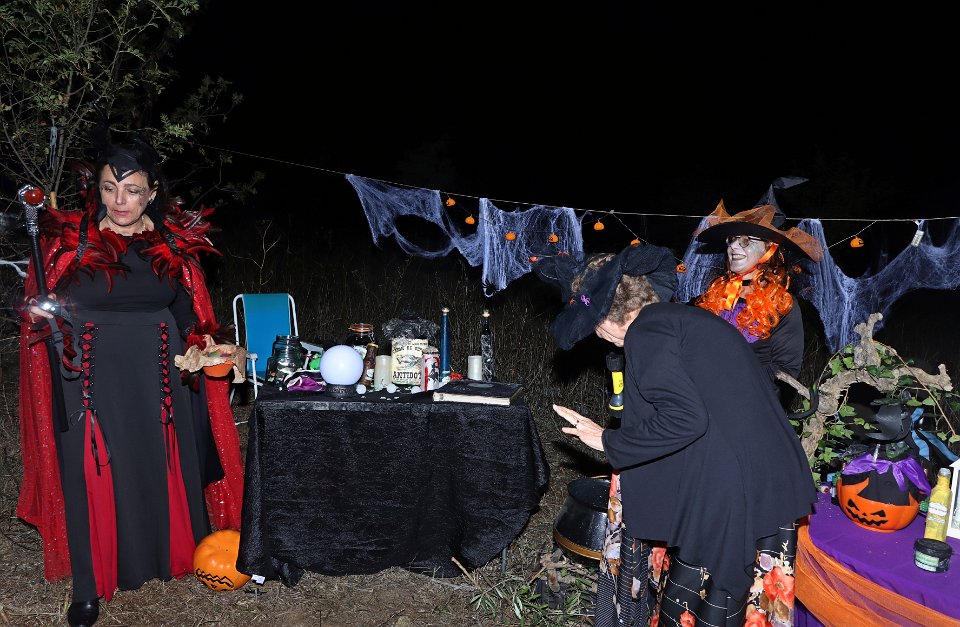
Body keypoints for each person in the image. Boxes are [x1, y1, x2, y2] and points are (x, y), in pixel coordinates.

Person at [17, 125, 244, 626]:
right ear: (95, 189)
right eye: (109, 188)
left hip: (160, 372)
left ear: (152, 192)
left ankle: (171, 556)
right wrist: (42, 313)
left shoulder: (172, 244)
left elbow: (186, 310)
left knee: (158, 459)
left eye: (133, 189)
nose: (119, 201)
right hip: (85, 371)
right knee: (89, 468)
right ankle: (88, 584)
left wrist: (204, 342)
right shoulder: (69, 242)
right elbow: (42, 307)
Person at [535, 242, 816, 626]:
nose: (596, 336)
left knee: (696, 613)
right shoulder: (677, 319)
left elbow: (686, 418)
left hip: (733, 497)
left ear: (611, 317)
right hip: (763, 487)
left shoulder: (647, 333)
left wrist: (607, 440)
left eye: (593, 326)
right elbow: (709, 412)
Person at [691, 201, 824, 402]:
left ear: (769, 249)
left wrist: (729, 381)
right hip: (700, 399)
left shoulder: (782, 305)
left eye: (745, 241)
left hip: (749, 404)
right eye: (732, 240)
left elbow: (786, 371)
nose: (733, 246)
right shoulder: (715, 295)